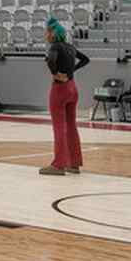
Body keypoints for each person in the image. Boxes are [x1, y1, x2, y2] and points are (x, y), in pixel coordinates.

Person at [42, 18, 90, 175]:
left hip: (60, 89)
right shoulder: (70, 47)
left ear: (53, 33)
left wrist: (56, 74)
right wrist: (71, 72)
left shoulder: (55, 46)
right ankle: (74, 164)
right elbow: (85, 60)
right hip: (73, 88)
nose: (46, 34)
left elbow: (51, 60)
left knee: (59, 127)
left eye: (48, 31)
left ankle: (58, 165)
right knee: (71, 126)